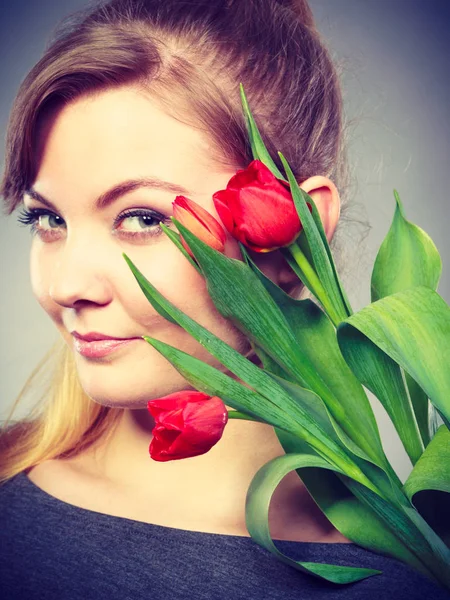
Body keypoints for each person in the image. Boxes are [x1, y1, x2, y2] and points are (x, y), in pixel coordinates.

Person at [0, 1, 448, 598]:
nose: (64, 287)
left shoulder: (413, 577)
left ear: (291, 229)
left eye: (141, 217)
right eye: (47, 218)